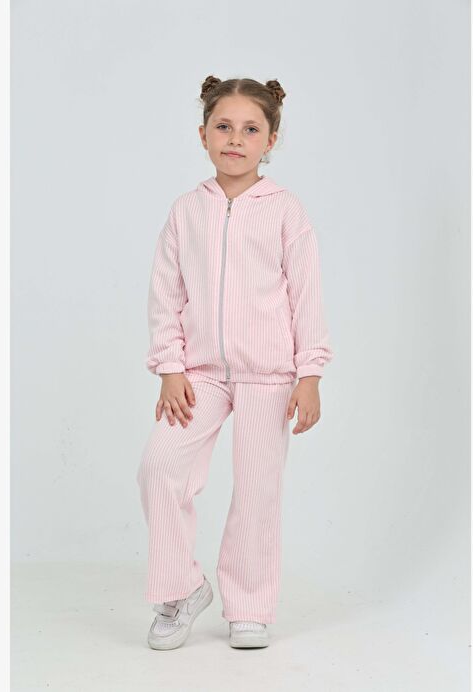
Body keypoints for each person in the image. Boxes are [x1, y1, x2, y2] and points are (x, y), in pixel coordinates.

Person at [136, 75, 334, 650]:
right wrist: (170, 366)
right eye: (223, 127)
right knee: (160, 467)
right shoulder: (186, 211)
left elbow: (306, 295)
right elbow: (165, 293)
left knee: (256, 491)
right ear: (203, 135)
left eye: (250, 129)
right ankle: (181, 590)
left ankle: (248, 606)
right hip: (197, 374)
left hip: (269, 375)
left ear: (270, 140)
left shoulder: (286, 211)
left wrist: (309, 373)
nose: (235, 139)